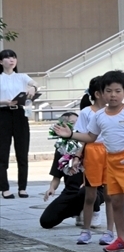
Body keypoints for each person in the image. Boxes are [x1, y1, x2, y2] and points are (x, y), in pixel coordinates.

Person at [52, 70, 124, 252]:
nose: (113, 95)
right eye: (109, 91)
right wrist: (70, 134)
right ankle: (121, 238)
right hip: (110, 160)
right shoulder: (99, 116)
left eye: (118, 91)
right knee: (116, 201)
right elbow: (90, 136)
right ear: (102, 93)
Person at [40, 112, 107, 233]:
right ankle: (78, 210)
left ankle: (94, 211)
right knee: (46, 221)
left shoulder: (90, 144)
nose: (78, 126)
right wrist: (51, 188)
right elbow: (57, 175)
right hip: (71, 192)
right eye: (73, 123)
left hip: (93, 188)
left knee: (85, 191)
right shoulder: (61, 147)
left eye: (80, 123)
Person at [74, 76, 114, 245]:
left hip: (110, 152)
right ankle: (86, 230)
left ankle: (110, 231)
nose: (111, 95)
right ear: (98, 94)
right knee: (90, 195)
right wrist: (77, 156)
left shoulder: (113, 111)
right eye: (107, 91)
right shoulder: (85, 113)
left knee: (110, 194)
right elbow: (82, 137)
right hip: (92, 153)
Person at [0, 49, 38, 199]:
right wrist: (4, 101)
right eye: (8, 57)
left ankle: (23, 187)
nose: (11, 60)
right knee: (2, 153)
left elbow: (34, 83)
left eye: (13, 57)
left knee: (22, 152)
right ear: (1, 61)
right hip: (2, 114)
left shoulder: (22, 77)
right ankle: (4, 188)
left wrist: (32, 87)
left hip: (20, 114)